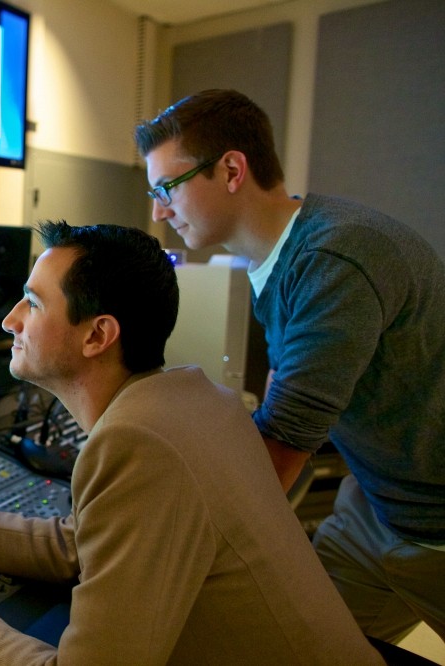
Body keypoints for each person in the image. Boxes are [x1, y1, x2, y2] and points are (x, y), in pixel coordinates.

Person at [0, 221, 379, 664]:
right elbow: (76, 544)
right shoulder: (199, 401)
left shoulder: (137, 442)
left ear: (98, 335)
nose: (10, 320)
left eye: (32, 304)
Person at [134, 88, 445, 644]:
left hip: (437, 526)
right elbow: (284, 388)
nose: (158, 209)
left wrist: (145, 538)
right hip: (373, 506)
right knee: (296, 645)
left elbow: (277, 453)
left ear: (231, 169)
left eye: (166, 188)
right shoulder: (278, 257)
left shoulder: (334, 260)